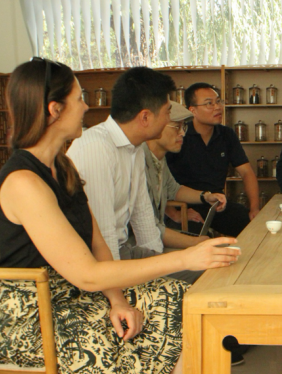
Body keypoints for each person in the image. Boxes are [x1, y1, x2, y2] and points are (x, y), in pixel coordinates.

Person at [0, 58, 239, 374]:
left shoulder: (62, 166)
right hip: (34, 314)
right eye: (79, 98)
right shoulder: (24, 182)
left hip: (71, 295)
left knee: (176, 301)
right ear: (54, 110)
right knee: (170, 315)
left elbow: (98, 243)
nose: (87, 106)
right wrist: (186, 258)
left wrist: (118, 300)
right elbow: (88, 274)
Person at [67, 67, 203, 284]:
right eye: (168, 112)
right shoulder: (96, 147)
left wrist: (157, 267)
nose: (171, 118)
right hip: (99, 268)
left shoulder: (135, 148)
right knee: (189, 286)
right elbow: (103, 235)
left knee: (207, 273)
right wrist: (118, 295)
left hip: (125, 254)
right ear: (145, 117)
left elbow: (143, 217)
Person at [166, 82, 260, 237]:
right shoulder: (179, 136)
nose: (217, 107)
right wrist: (174, 213)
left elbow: (247, 173)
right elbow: (158, 183)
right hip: (185, 206)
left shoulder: (226, 135)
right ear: (192, 110)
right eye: (209, 103)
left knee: (255, 229)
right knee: (199, 242)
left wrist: (254, 208)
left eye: (218, 102)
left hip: (216, 203)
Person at [143, 101, 227, 249]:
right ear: (156, 124)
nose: (182, 133)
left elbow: (175, 190)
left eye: (184, 127)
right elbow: (147, 230)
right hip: (142, 248)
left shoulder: (160, 160)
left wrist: (206, 196)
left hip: (155, 240)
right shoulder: (138, 163)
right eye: (177, 127)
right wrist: (195, 243)